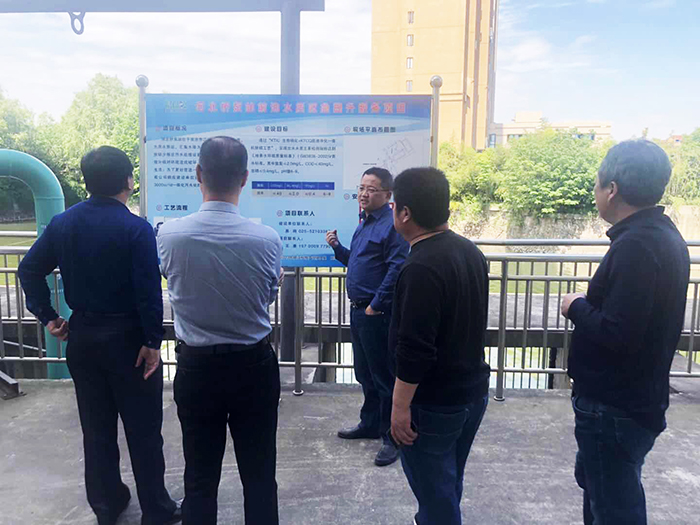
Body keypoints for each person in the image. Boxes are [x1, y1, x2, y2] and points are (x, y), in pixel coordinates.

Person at [17, 146, 180, 525]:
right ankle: (156, 509)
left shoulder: (63, 224)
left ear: (86, 182)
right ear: (128, 181)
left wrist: (49, 317)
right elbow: (147, 292)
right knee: (143, 430)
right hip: (129, 340)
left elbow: (28, 270)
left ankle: (107, 505)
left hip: (84, 338)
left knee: (96, 429)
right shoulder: (136, 229)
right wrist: (152, 342)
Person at [561, 140, 690, 525]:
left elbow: (619, 333)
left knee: (614, 509)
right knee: (605, 493)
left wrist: (575, 306)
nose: (595, 191)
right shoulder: (663, 235)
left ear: (612, 189)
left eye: (597, 183)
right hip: (633, 400)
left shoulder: (636, 245)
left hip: (614, 407)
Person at [157, 137, 283, 525]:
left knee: (199, 477)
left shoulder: (169, 235)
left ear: (199, 173)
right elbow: (267, 296)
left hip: (196, 368)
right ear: (244, 178)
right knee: (259, 475)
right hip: (253, 366)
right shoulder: (266, 239)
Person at [389, 167, 491, 525]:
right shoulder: (469, 251)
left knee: (435, 496)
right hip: (470, 393)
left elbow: (415, 348)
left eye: (394, 205)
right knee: (448, 483)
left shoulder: (421, 266)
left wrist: (399, 407)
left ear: (405, 213)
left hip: (434, 403)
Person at [326, 167, 409, 467]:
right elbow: (359, 261)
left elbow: (396, 268)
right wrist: (338, 249)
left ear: (387, 195)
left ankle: (391, 438)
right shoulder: (365, 222)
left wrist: (376, 304)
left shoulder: (391, 225)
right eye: (361, 188)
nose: (363, 194)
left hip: (377, 313)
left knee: (384, 377)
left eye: (371, 189)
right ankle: (370, 423)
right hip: (360, 311)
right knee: (364, 373)